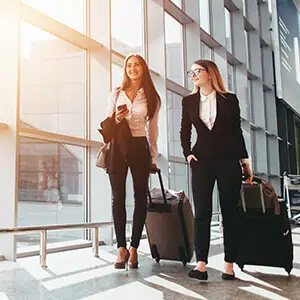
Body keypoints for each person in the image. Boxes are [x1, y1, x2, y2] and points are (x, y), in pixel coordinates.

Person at [180, 59, 253, 281]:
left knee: (229, 212)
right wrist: (187, 154)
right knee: (201, 212)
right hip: (201, 160)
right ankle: (201, 264)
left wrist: (244, 162)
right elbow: (184, 130)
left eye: (197, 71)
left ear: (210, 74)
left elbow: (236, 132)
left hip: (228, 160)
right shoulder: (189, 101)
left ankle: (229, 264)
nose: (193, 75)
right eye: (190, 71)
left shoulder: (229, 100)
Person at [104, 54, 160, 270]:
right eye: (129, 65)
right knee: (117, 196)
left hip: (139, 147)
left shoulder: (152, 97)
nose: (132, 68)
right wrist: (118, 118)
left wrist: (153, 157)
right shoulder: (116, 93)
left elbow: (153, 130)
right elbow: (107, 122)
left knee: (140, 197)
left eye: (137, 65)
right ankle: (121, 247)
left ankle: (135, 246)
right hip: (117, 147)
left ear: (143, 68)